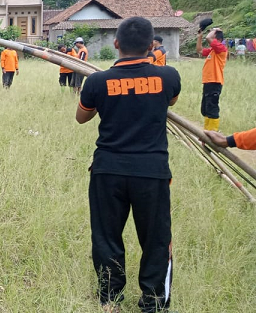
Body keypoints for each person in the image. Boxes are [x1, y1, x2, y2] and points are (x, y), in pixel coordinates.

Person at [76, 17, 181, 313]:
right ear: (151, 46)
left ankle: (110, 298)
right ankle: (154, 302)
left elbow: (81, 117)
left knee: (106, 235)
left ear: (116, 43)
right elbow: (170, 103)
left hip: (107, 170)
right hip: (152, 172)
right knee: (156, 239)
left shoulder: (97, 81)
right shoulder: (168, 76)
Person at [196, 20, 227, 131]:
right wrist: (200, 36)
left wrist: (214, 30)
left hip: (215, 81)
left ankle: (213, 133)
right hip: (208, 81)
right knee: (205, 108)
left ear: (218, 40)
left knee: (212, 108)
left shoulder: (221, 49)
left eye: (214, 37)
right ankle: (206, 133)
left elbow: (209, 38)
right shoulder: (212, 51)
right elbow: (199, 50)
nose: (211, 40)